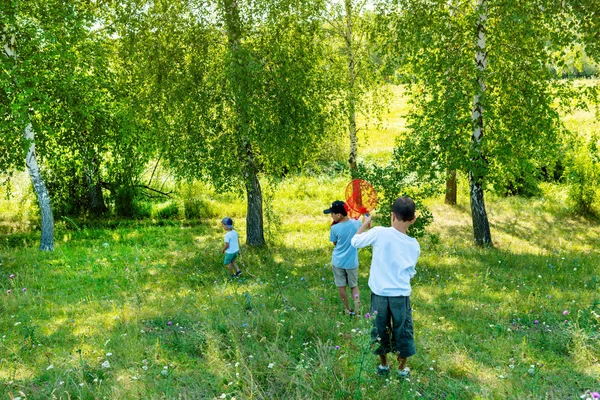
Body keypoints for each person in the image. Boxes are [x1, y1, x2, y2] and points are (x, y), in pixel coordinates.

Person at [350, 196, 421, 379]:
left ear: (392, 216)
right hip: (401, 296)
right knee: (403, 331)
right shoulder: (414, 245)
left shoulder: (379, 233)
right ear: (413, 219)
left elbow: (355, 242)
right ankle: (401, 369)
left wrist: (366, 223)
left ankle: (383, 365)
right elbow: (410, 271)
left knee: (379, 329)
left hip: (379, 295)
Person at [324, 200, 362, 316]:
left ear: (339, 215)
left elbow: (335, 243)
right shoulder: (356, 224)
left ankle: (346, 309)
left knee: (341, 286)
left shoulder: (334, 228)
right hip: (351, 262)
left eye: (332, 214)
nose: (331, 216)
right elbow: (361, 231)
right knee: (354, 286)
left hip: (338, 262)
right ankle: (357, 310)